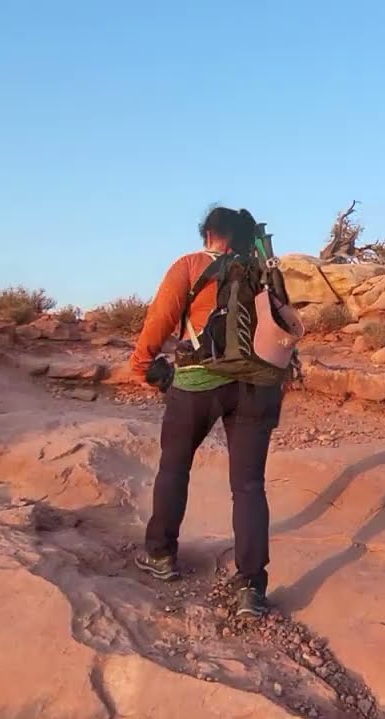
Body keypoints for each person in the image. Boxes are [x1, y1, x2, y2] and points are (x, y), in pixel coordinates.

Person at [129, 205, 283, 617]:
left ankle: (160, 554)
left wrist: (143, 367)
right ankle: (251, 587)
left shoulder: (190, 265)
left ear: (209, 233)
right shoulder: (263, 271)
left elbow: (159, 322)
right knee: (249, 486)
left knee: (175, 467)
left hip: (198, 383)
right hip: (257, 386)